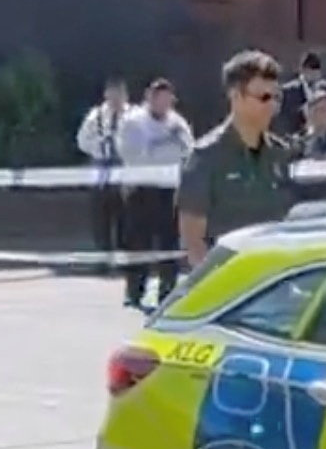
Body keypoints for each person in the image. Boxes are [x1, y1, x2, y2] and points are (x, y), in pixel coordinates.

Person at [179, 51, 297, 270]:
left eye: (276, 98)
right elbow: (193, 238)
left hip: (273, 279)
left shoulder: (280, 154)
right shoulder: (206, 157)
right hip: (229, 284)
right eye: (263, 98)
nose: (272, 106)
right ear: (236, 96)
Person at [116, 78, 197, 307]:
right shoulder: (133, 122)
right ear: (149, 98)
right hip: (141, 189)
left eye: (168, 100)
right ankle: (134, 291)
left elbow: (189, 151)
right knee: (137, 242)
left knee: (169, 242)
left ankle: (168, 292)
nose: (164, 104)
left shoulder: (178, 123)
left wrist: (174, 145)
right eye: (159, 99)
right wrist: (162, 143)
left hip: (169, 190)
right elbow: (131, 154)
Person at [75, 76, 133, 269]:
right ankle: (103, 259)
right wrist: (100, 146)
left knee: (126, 218)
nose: (116, 98)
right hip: (101, 171)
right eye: (112, 94)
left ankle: (127, 259)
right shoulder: (96, 116)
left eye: (120, 94)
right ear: (106, 94)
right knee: (100, 218)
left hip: (126, 170)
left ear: (125, 95)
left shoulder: (135, 115)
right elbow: (82, 141)